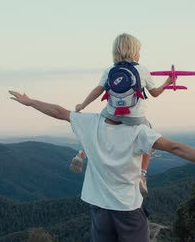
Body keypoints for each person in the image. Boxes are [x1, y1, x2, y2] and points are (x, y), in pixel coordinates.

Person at [8, 90, 195, 242]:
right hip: (128, 209)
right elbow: (176, 148)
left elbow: (58, 111)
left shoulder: (90, 123)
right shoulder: (139, 131)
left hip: (99, 209)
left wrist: (30, 102)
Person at [71, 33, 173, 196]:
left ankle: (81, 154)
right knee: (150, 137)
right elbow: (155, 94)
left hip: (111, 115)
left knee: (97, 127)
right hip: (135, 119)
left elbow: (98, 90)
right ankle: (142, 175)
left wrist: (82, 105)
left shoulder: (110, 70)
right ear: (134, 52)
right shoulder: (143, 70)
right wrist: (167, 83)